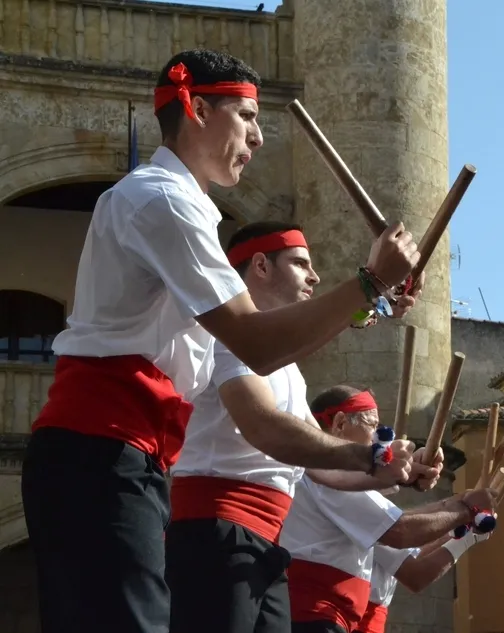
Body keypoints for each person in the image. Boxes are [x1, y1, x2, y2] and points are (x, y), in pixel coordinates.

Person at [22, 48, 424, 633]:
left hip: (123, 456)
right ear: (198, 110)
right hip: (100, 449)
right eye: (246, 116)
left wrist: (369, 304)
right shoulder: (161, 199)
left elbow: (250, 330)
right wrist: (367, 283)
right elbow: (251, 340)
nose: (258, 138)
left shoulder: (184, 208)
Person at [165, 221, 434, 633]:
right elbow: (267, 429)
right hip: (217, 530)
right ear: (260, 266)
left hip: (264, 542)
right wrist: (371, 456)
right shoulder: (229, 339)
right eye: (300, 263)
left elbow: (321, 465)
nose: (315, 275)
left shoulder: (285, 366)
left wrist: (394, 469)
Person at [282, 386, 498, 633]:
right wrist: (466, 510)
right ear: (340, 424)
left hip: (323, 615)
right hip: (314, 616)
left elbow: (397, 521)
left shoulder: (326, 472)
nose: (377, 440)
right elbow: (401, 533)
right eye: (373, 427)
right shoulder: (328, 474)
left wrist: (451, 501)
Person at [355, 533, 491, 633]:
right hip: (359, 622)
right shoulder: (367, 515)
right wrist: (467, 538)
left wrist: (457, 533)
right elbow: (416, 575)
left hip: (370, 621)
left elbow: (414, 556)